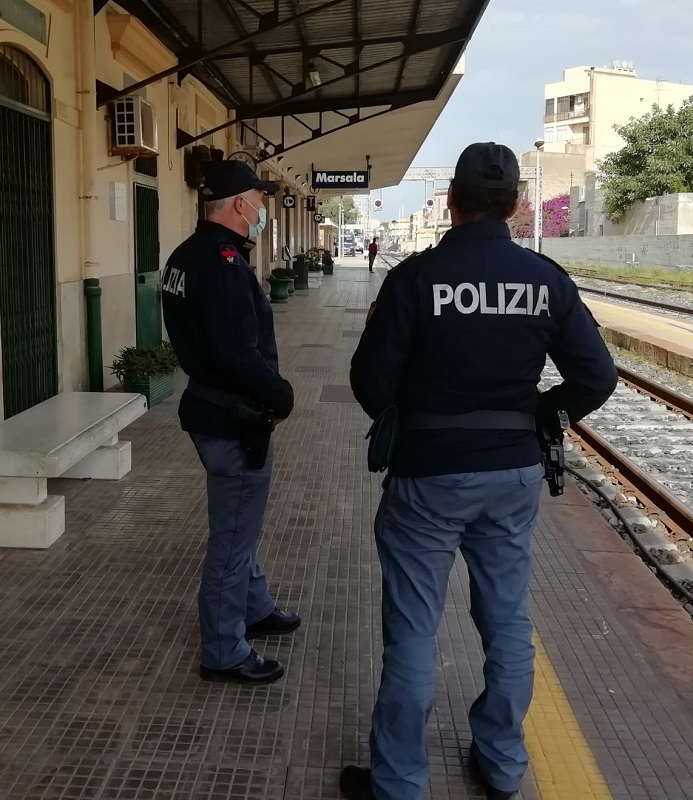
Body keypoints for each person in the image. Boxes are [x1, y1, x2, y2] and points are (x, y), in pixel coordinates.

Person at [341, 143, 618, 800]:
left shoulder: (414, 278)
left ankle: (398, 782)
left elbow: (369, 380)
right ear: (516, 204)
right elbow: (596, 377)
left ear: (453, 203)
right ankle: (499, 764)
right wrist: (537, 414)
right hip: (513, 472)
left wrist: (414, 414)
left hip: (427, 475)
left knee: (412, 628)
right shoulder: (544, 279)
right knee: (506, 620)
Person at [162, 159, 300, 686]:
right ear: (241, 204)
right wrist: (281, 396)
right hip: (232, 417)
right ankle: (223, 649)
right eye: (260, 201)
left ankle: (256, 605)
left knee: (239, 522)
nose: (263, 208)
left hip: (207, 409)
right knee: (232, 537)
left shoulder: (184, 255)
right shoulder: (222, 264)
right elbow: (236, 354)